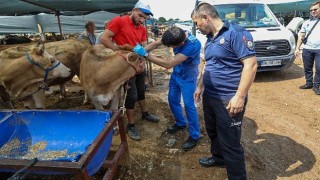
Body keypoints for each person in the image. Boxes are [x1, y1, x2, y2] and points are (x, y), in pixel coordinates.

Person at [192, 3, 257, 180]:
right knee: (213, 132)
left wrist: (240, 96)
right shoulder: (210, 37)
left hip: (229, 98)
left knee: (230, 141)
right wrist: (199, 85)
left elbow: (250, 65)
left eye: (197, 23)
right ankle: (219, 158)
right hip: (211, 96)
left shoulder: (236, 33)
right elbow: (208, 65)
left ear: (206, 17)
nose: (197, 28)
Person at [134, 26, 202, 151]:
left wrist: (146, 55)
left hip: (188, 78)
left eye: (172, 47)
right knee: (172, 100)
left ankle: (195, 135)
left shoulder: (193, 45)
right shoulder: (174, 34)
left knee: (188, 105)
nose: (171, 48)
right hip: (176, 75)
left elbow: (168, 64)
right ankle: (181, 123)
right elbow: (155, 43)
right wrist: (140, 53)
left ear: (180, 43)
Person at [99, 1, 159, 141]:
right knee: (131, 95)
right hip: (125, 65)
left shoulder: (141, 28)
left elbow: (143, 47)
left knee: (141, 90)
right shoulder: (119, 21)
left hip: (137, 62)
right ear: (133, 10)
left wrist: (143, 61)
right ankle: (131, 125)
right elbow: (104, 38)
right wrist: (117, 51)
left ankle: (145, 113)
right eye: (140, 16)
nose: (142, 20)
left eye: (144, 18)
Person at [294, 1, 320, 95]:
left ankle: (316, 86)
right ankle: (309, 83)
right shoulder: (306, 23)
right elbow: (301, 35)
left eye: (315, 9)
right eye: (311, 10)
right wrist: (297, 48)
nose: (313, 11)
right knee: (307, 67)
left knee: (319, 68)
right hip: (307, 49)